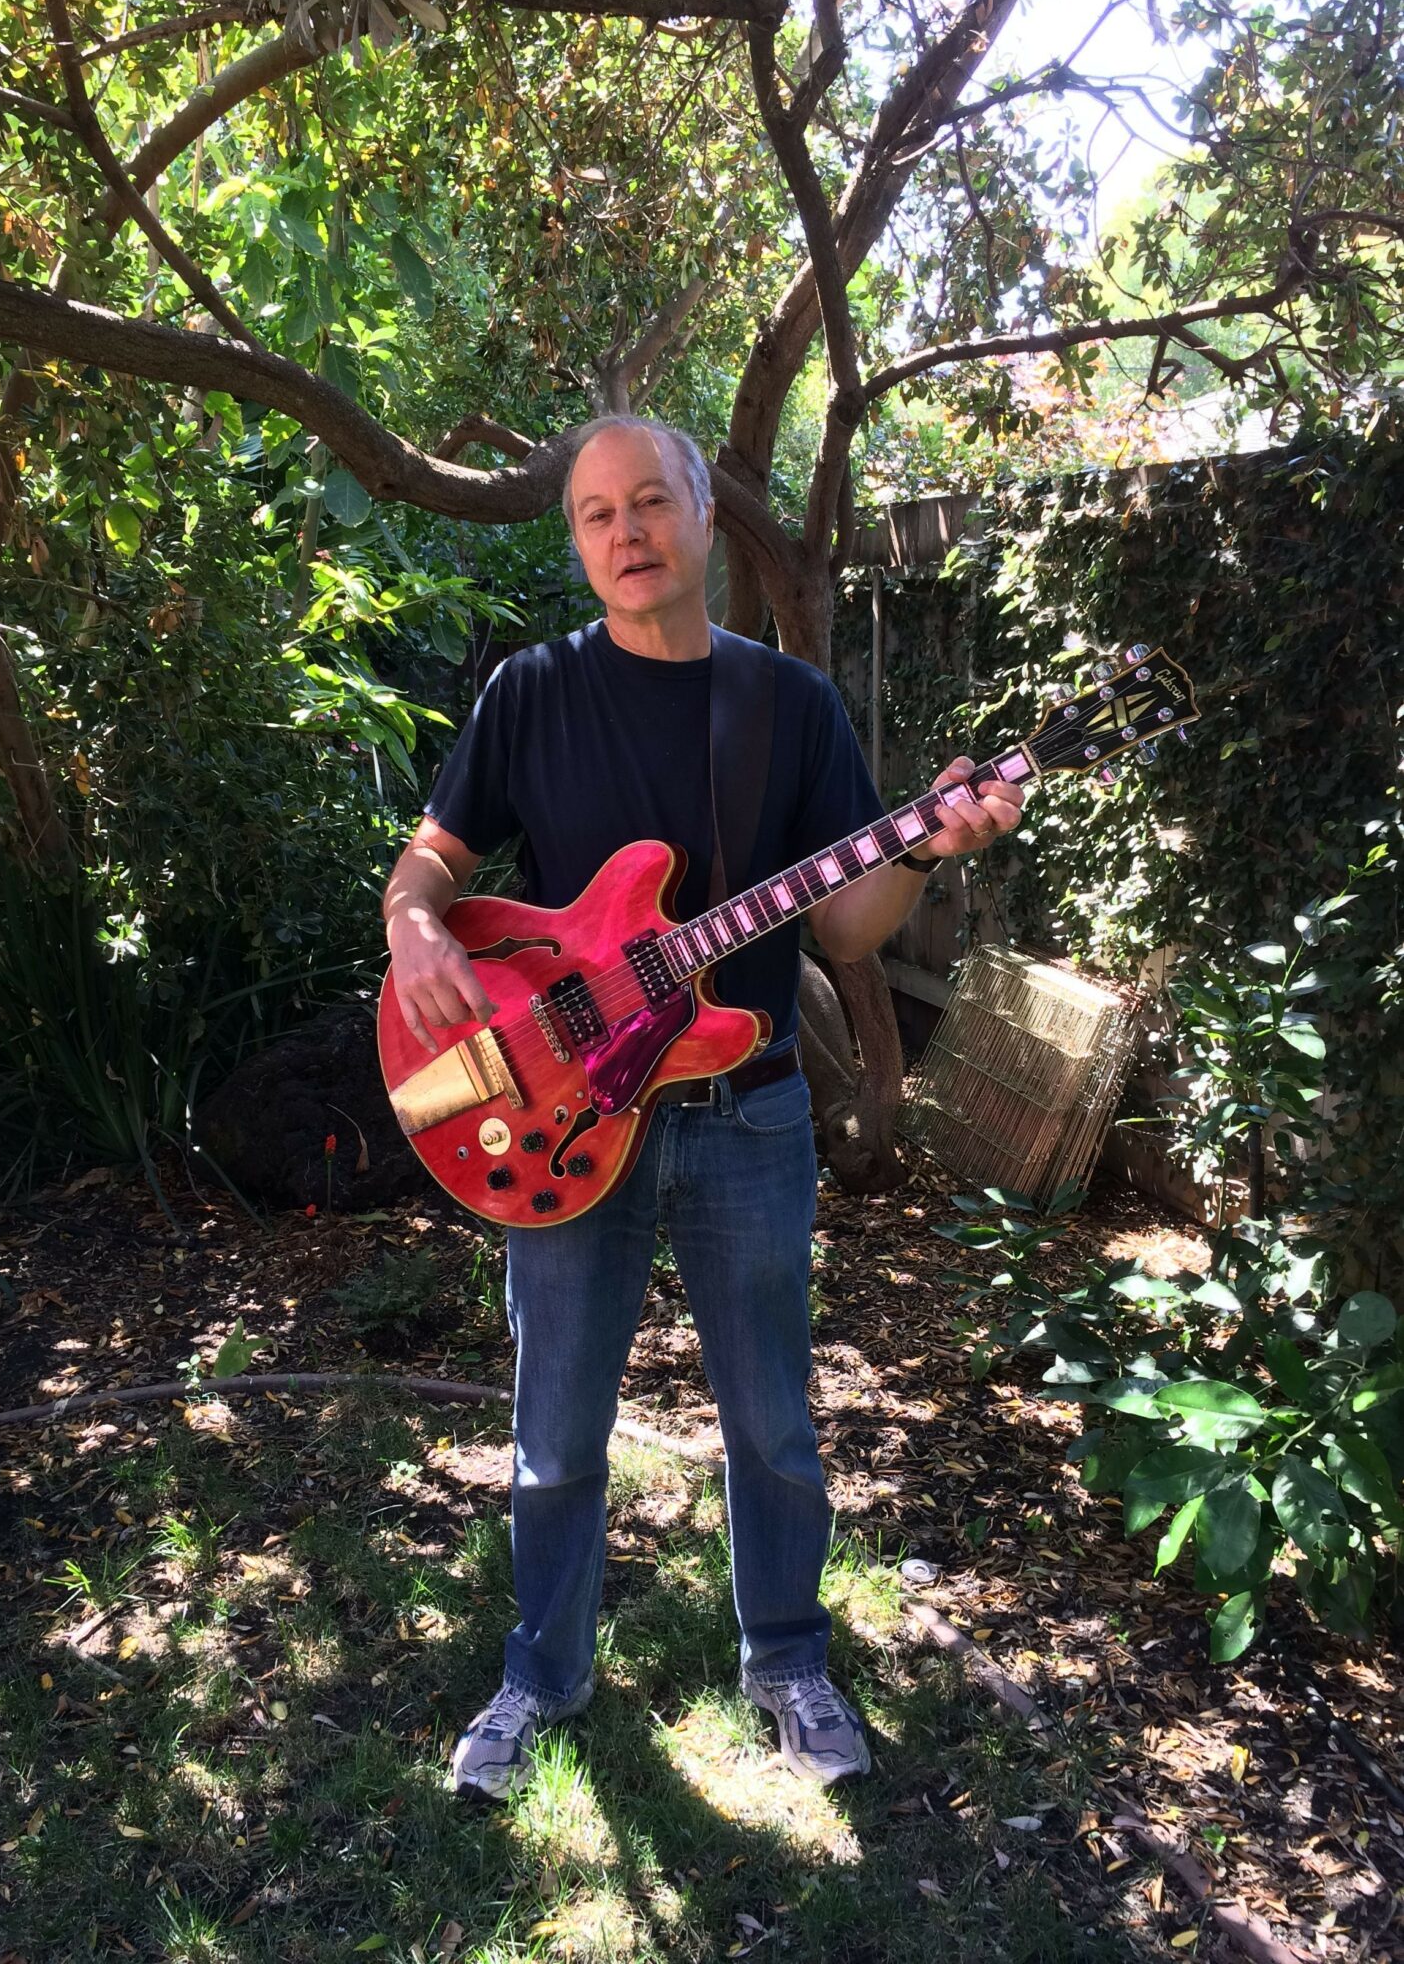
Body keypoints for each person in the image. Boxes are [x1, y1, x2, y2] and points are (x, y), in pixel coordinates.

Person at [382, 416, 1024, 1801]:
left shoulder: (786, 707)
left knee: (773, 1419)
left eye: (653, 504)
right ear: (576, 543)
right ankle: (539, 1675)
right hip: (569, 1123)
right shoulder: (531, 694)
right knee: (555, 1424)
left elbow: (847, 936)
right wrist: (415, 933)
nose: (629, 533)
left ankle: (788, 1658)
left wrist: (925, 844)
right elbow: (429, 866)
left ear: (706, 521)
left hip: (747, 1111)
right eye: (599, 515)